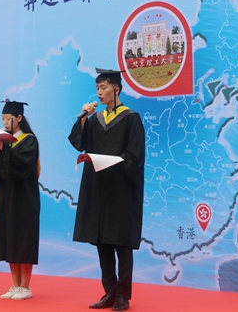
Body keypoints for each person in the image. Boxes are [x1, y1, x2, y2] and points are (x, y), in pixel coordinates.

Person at [68, 68, 145, 312]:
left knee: (121, 243)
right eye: (97, 88)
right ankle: (109, 293)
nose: (99, 93)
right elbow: (79, 142)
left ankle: (123, 295)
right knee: (102, 242)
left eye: (104, 87)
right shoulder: (95, 119)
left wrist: (112, 162)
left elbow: (135, 157)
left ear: (116, 89)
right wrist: (83, 118)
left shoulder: (131, 118)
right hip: (99, 189)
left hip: (120, 191)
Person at [0, 100, 41, 301]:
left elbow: (22, 166)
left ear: (19, 118)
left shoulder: (29, 140)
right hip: (6, 196)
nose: (5, 122)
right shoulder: (5, 141)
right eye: (2, 118)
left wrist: (3, 146)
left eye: (8, 118)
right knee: (9, 236)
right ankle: (15, 285)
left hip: (24, 197)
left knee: (23, 238)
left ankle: (25, 286)